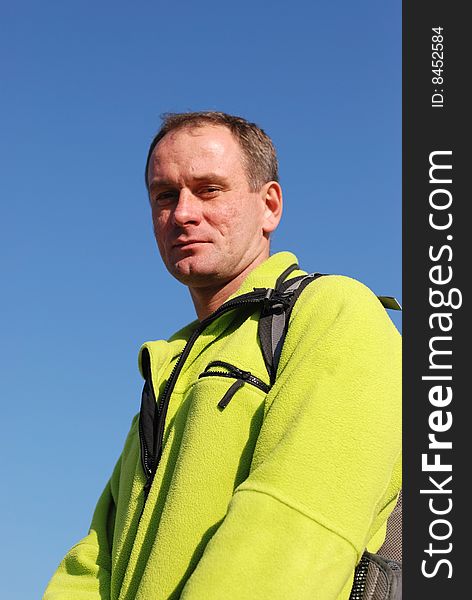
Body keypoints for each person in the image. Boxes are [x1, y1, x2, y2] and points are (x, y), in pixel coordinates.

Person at [43, 111, 401, 600]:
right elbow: (94, 562)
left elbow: (291, 530)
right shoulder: (167, 369)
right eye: (164, 195)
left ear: (269, 205)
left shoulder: (335, 313)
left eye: (209, 190)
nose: (183, 213)